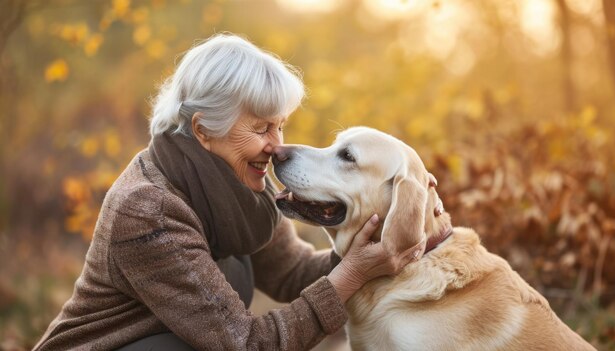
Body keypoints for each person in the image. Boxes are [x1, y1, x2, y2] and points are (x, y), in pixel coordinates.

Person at [34, 34, 421, 351]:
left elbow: (293, 272)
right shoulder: (149, 210)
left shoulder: (240, 185)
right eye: (261, 128)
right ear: (204, 130)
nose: (277, 145)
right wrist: (352, 274)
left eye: (280, 126)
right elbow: (245, 344)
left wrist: (384, 234)